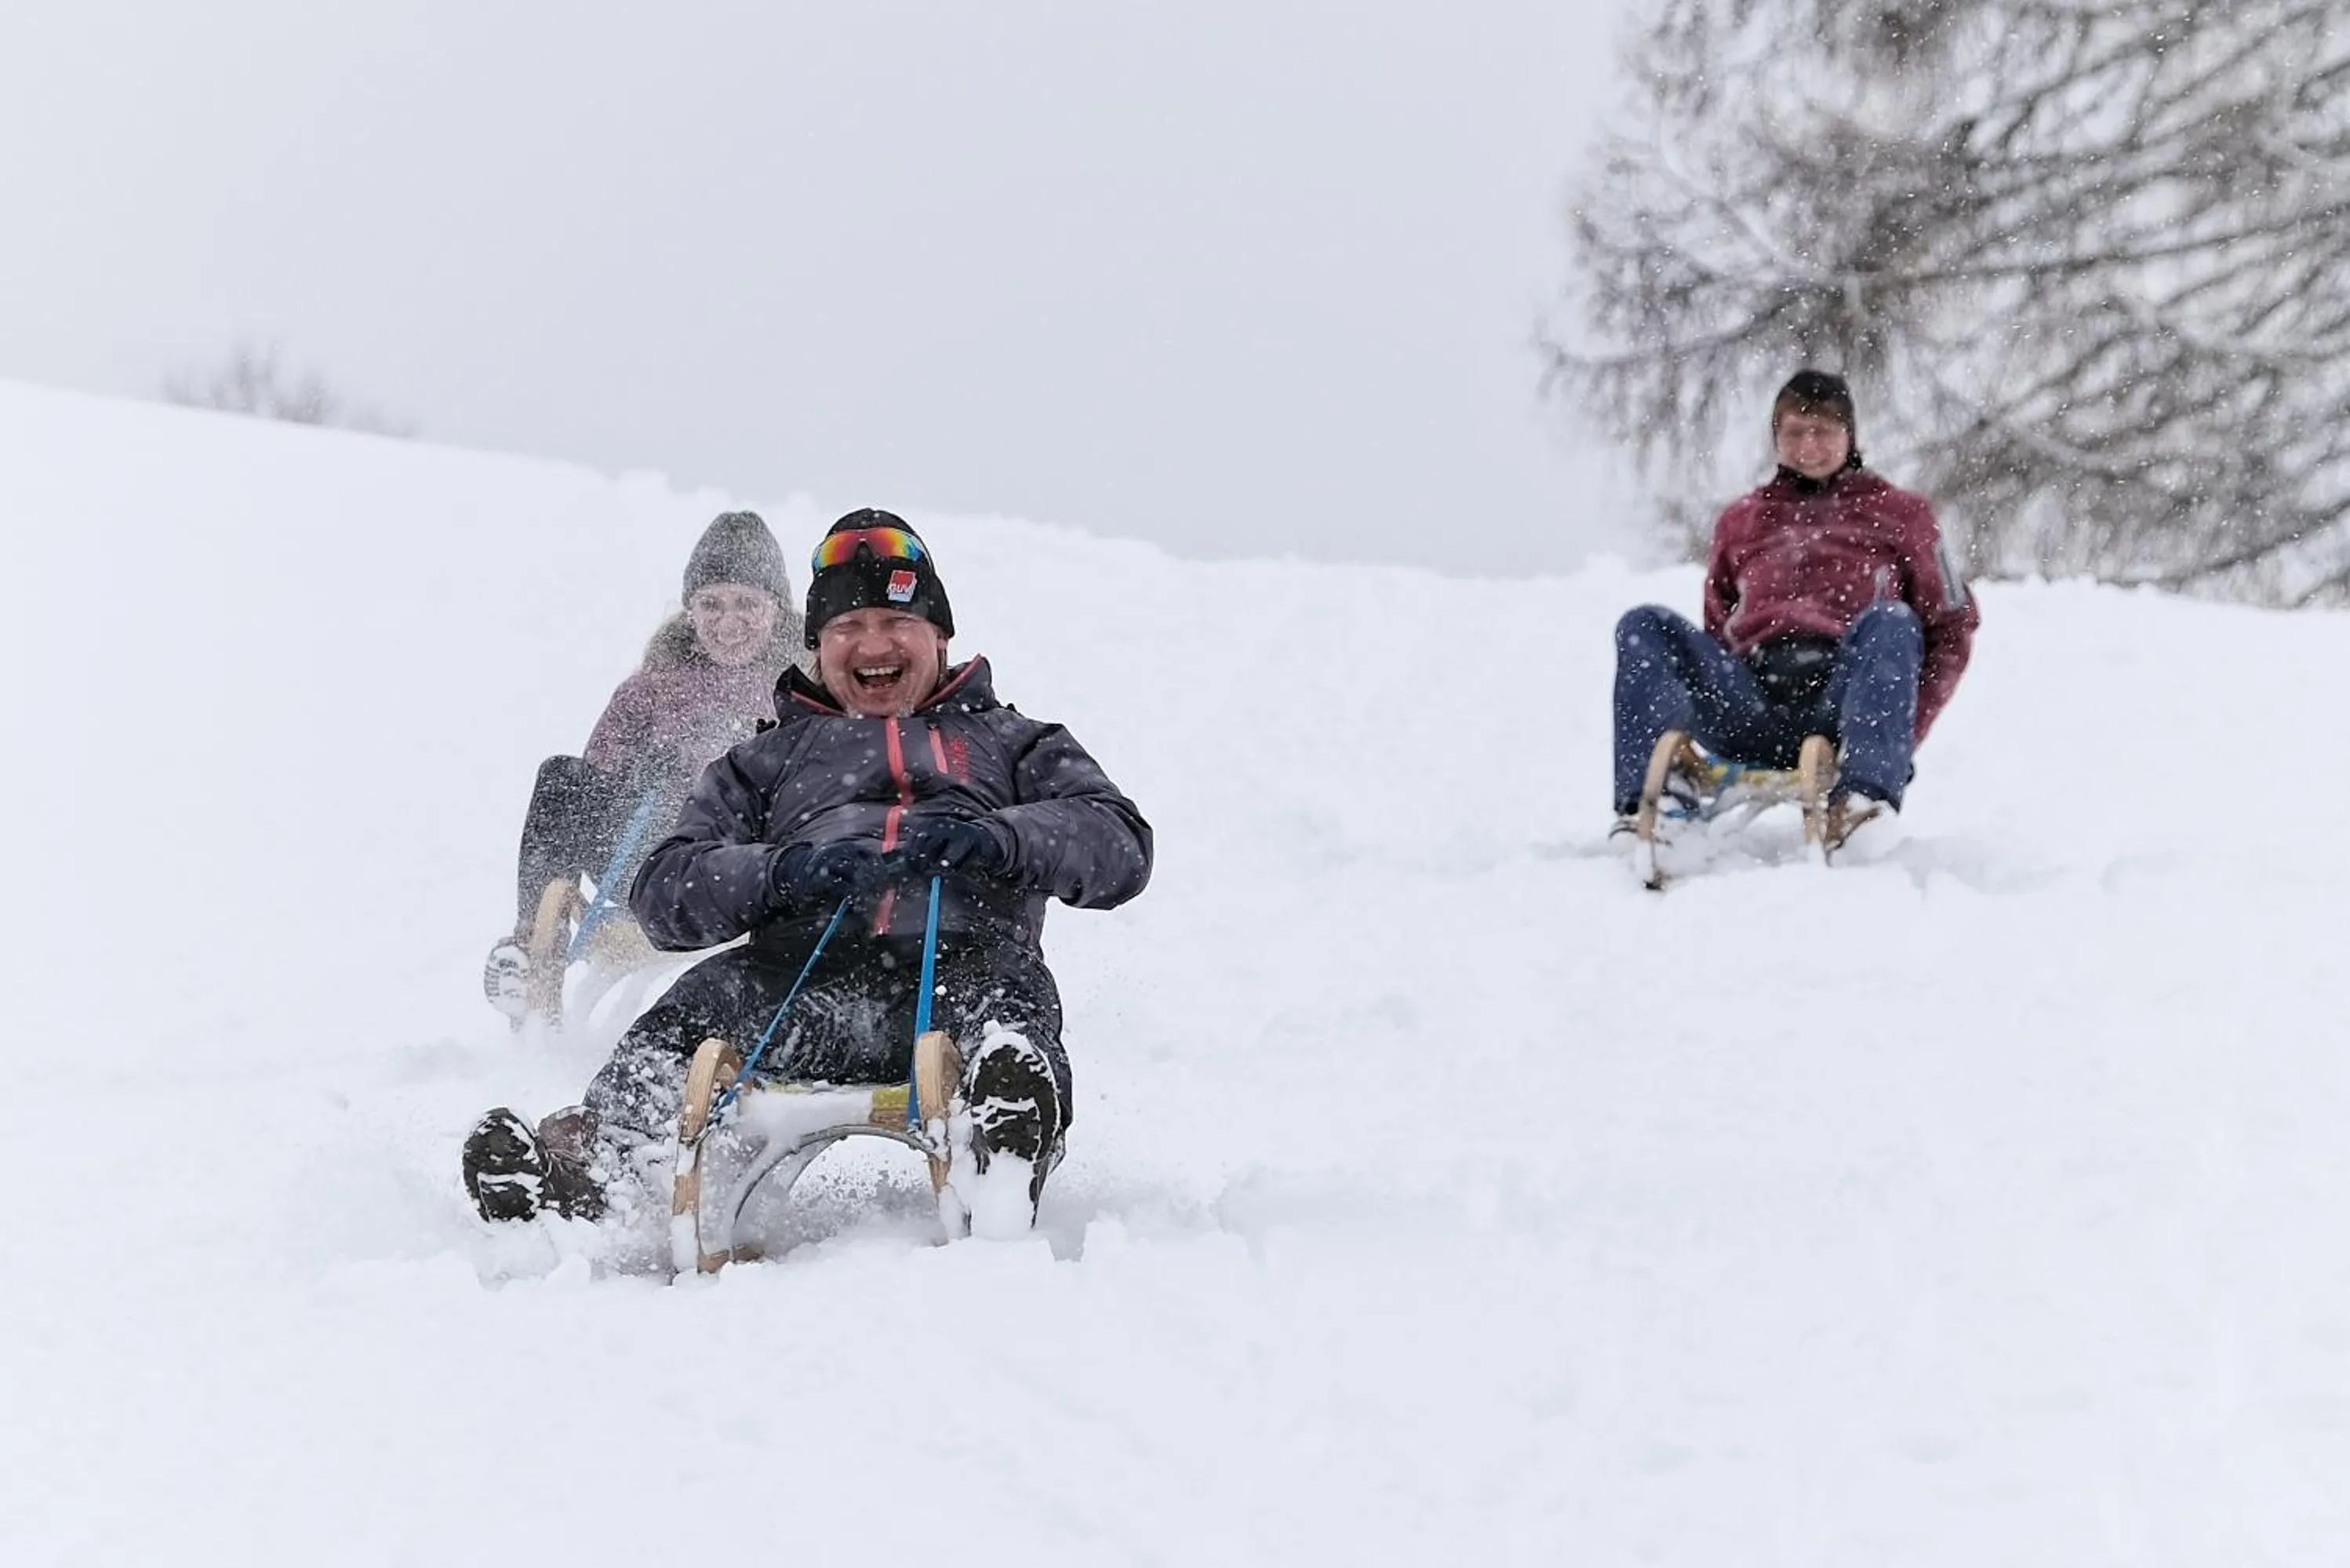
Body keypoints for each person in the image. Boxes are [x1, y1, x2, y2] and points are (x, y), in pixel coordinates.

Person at [461, 508, 1153, 1229]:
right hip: (792, 985)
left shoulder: (1012, 741)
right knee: (686, 1016)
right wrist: (785, 871)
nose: (873, 645)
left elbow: (1120, 843)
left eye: (896, 622)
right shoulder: (763, 760)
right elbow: (665, 890)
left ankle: (1004, 1137)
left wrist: (999, 839)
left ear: (940, 638)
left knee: (1009, 1009)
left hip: (962, 970)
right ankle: (590, 1173)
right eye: (848, 629)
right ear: (818, 648)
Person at [1613, 369, 1979, 837]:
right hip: (1750, 703)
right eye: (1794, 432)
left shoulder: (1902, 516)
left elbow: (1951, 629)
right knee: (1645, 625)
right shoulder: (1742, 522)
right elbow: (1717, 628)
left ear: (1850, 435)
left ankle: (1863, 801)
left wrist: (1895, 736)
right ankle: (1655, 800)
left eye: (1823, 431)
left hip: (1841, 704)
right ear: (1775, 437)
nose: (1808, 446)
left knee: (1892, 621)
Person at [483, 510, 807, 1016]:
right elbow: (598, 770)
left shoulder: (807, 679)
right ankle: (530, 949)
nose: (728, 622)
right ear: (689, 611)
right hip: (656, 857)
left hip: (754, 863)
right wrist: (644, 775)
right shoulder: (659, 681)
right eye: (711, 605)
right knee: (561, 778)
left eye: (748, 604)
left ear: (777, 609)